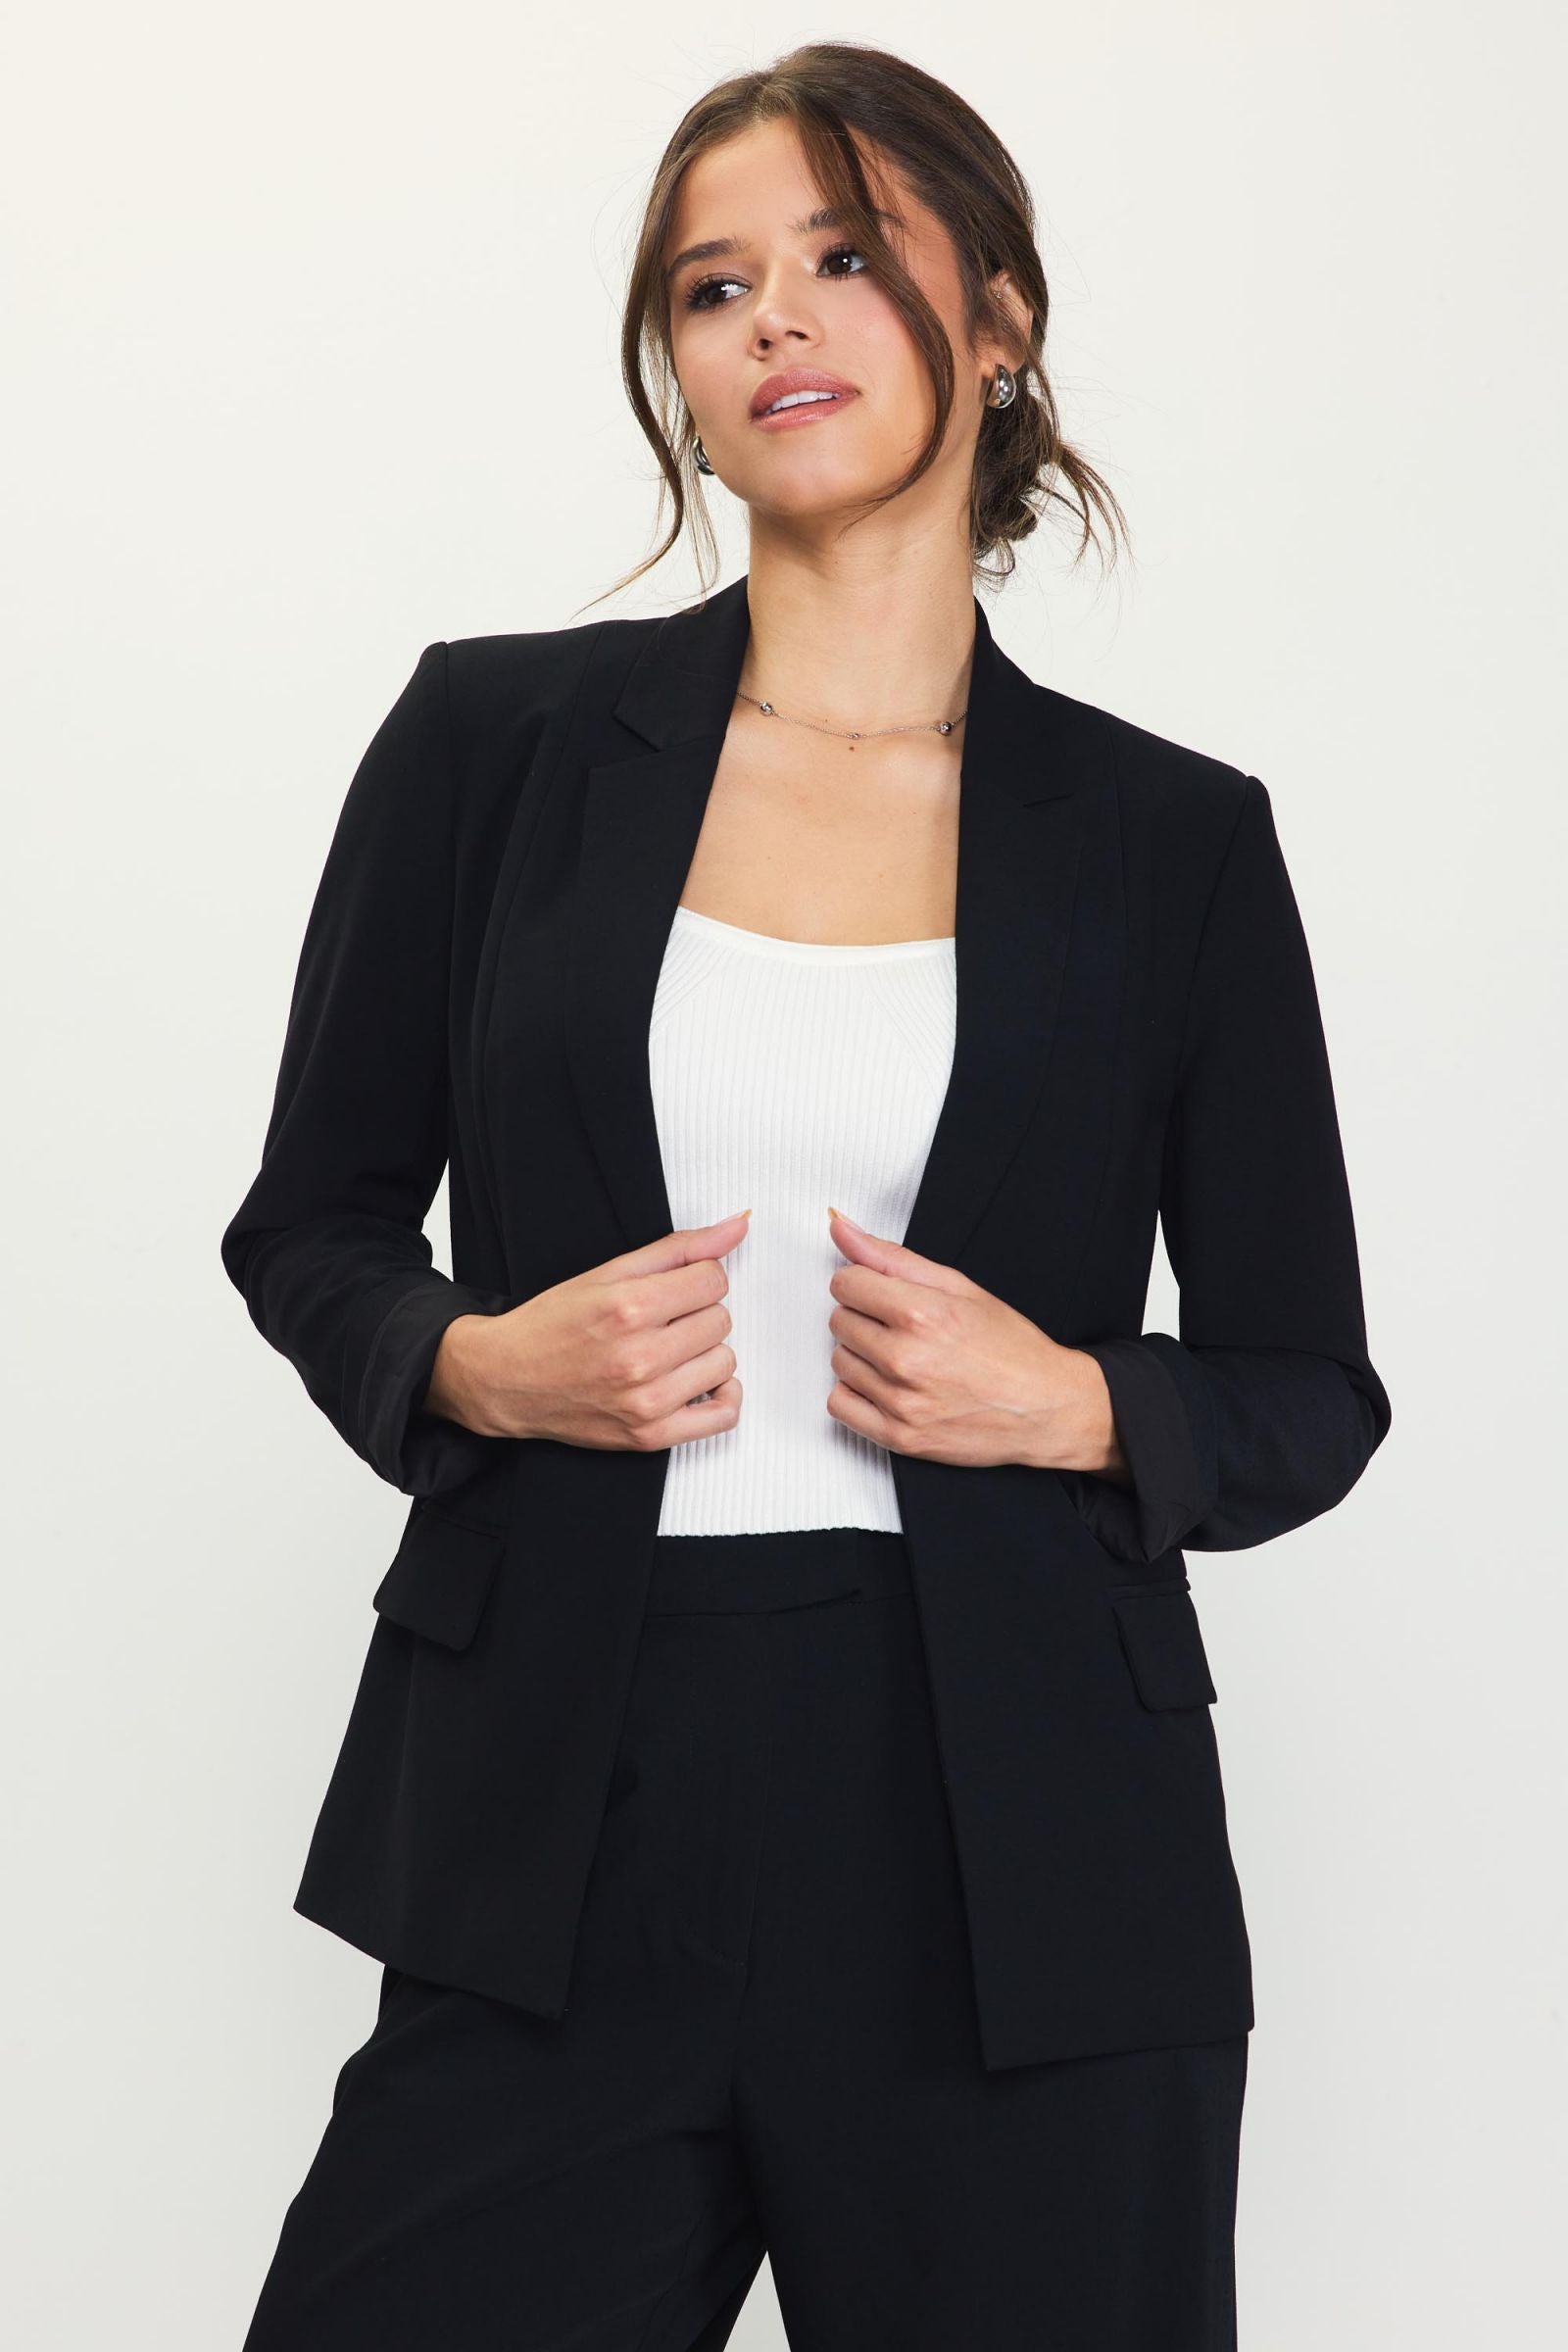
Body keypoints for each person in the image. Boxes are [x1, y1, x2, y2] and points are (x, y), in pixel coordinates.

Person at [222, 40, 1392, 2351]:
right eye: (709, 284)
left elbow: (1306, 1384)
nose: (771, 317)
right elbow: (309, 1222)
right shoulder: (491, 748)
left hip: (1022, 1852)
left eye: (844, 256)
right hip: (560, 1807)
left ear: (997, 316)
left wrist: (1072, 1403)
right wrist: (472, 1361)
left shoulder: (1168, 843)